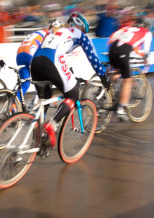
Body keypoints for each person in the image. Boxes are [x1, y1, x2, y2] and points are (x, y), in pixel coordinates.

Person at [31, 12, 110, 147]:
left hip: (35, 62)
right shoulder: (79, 35)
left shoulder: (56, 30)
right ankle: (52, 124)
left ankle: (37, 136)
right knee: (73, 95)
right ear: (80, 27)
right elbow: (93, 59)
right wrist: (103, 77)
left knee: (44, 100)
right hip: (52, 62)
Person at [107, 17, 153, 121]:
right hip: (123, 51)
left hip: (112, 49)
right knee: (127, 80)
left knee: (116, 72)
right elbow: (146, 52)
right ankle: (120, 109)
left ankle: (106, 93)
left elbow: (111, 37)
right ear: (147, 27)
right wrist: (147, 61)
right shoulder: (147, 33)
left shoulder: (128, 28)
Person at [15, 27, 48, 101]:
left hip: (19, 55)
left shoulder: (37, 33)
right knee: (42, 80)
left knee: (25, 84)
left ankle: (13, 106)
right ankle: (35, 104)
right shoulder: (49, 34)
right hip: (29, 55)